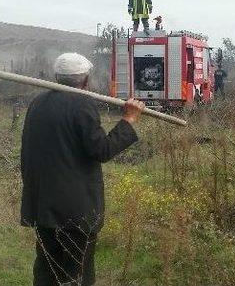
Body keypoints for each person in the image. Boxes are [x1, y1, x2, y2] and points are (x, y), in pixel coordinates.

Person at [20, 53, 145, 286]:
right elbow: (102, 150)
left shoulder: (37, 103)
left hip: (43, 207)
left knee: (47, 271)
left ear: (56, 78)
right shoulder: (82, 105)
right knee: (77, 275)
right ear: (86, 80)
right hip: (74, 213)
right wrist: (128, 120)